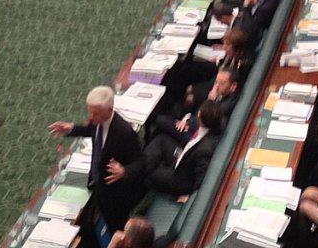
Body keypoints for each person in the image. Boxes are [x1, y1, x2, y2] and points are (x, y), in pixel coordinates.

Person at [48, 86, 144, 233]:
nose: (91, 117)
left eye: (95, 113)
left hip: (116, 197)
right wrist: (72, 129)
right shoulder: (97, 121)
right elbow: (91, 131)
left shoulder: (124, 132)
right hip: (98, 186)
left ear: (109, 110)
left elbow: (141, 163)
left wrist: (124, 171)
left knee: (115, 228)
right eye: (90, 112)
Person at [143, 100, 222, 197]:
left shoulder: (204, 151)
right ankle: (146, 164)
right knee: (161, 140)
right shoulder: (210, 125)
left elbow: (200, 179)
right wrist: (185, 121)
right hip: (183, 155)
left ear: (199, 116)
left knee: (149, 173)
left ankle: (146, 169)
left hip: (179, 177)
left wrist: (189, 196)